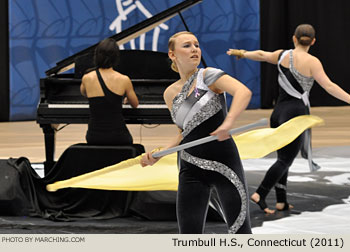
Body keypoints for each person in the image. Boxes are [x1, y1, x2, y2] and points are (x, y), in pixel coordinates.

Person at [227, 24, 350, 214]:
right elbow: (330, 87)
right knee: (285, 160)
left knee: (283, 158)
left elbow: (260, 55)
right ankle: (260, 193)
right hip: (295, 113)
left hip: (278, 113)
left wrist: (242, 52)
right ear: (313, 41)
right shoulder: (313, 62)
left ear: (294, 38)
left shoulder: (283, 55)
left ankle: (281, 202)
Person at [141, 31, 252, 234]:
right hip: (190, 168)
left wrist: (228, 123)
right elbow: (183, 132)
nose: (194, 49)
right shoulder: (170, 93)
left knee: (240, 233)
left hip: (225, 164)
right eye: (187, 45)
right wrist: (159, 154)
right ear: (172, 55)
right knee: (189, 237)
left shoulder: (208, 76)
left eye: (197, 45)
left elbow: (243, 92)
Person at [80, 38, 139, 145]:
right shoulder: (124, 79)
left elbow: (84, 93)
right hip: (118, 135)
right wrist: (125, 99)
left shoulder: (87, 78)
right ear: (116, 57)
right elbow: (135, 104)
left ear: (96, 56)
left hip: (94, 135)